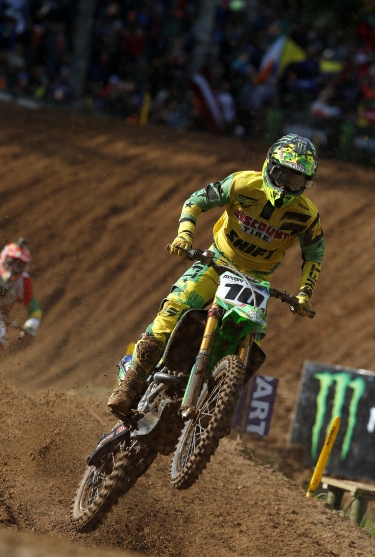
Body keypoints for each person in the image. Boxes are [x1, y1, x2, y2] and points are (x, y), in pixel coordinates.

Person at [108, 134, 325, 421]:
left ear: (306, 184)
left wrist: (304, 293)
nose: (286, 186)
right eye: (283, 175)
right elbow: (196, 200)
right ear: (270, 167)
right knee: (175, 308)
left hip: (257, 281)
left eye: (295, 181)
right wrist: (185, 235)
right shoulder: (242, 184)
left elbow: (314, 253)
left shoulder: (306, 215)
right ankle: (130, 383)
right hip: (217, 263)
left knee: (251, 344)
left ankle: (214, 412)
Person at [0, 237, 42, 351]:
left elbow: (34, 311)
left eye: (18, 265)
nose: (13, 268)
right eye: (11, 262)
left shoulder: (23, 282)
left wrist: (30, 327)